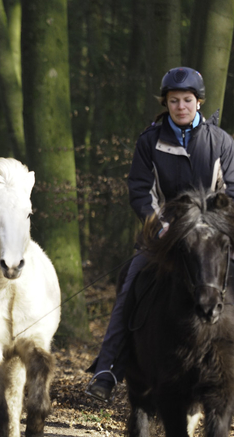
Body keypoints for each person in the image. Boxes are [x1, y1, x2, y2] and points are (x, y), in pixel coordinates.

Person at [85, 66, 234, 402]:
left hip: (210, 233)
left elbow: (231, 191)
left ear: (198, 102)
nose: (180, 106)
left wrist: (212, 222)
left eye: (187, 100)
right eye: (173, 100)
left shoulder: (221, 142)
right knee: (130, 284)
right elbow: (140, 190)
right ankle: (108, 368)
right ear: (165, 103)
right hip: (164, 233)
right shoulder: (149, 142)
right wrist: (158, 223)